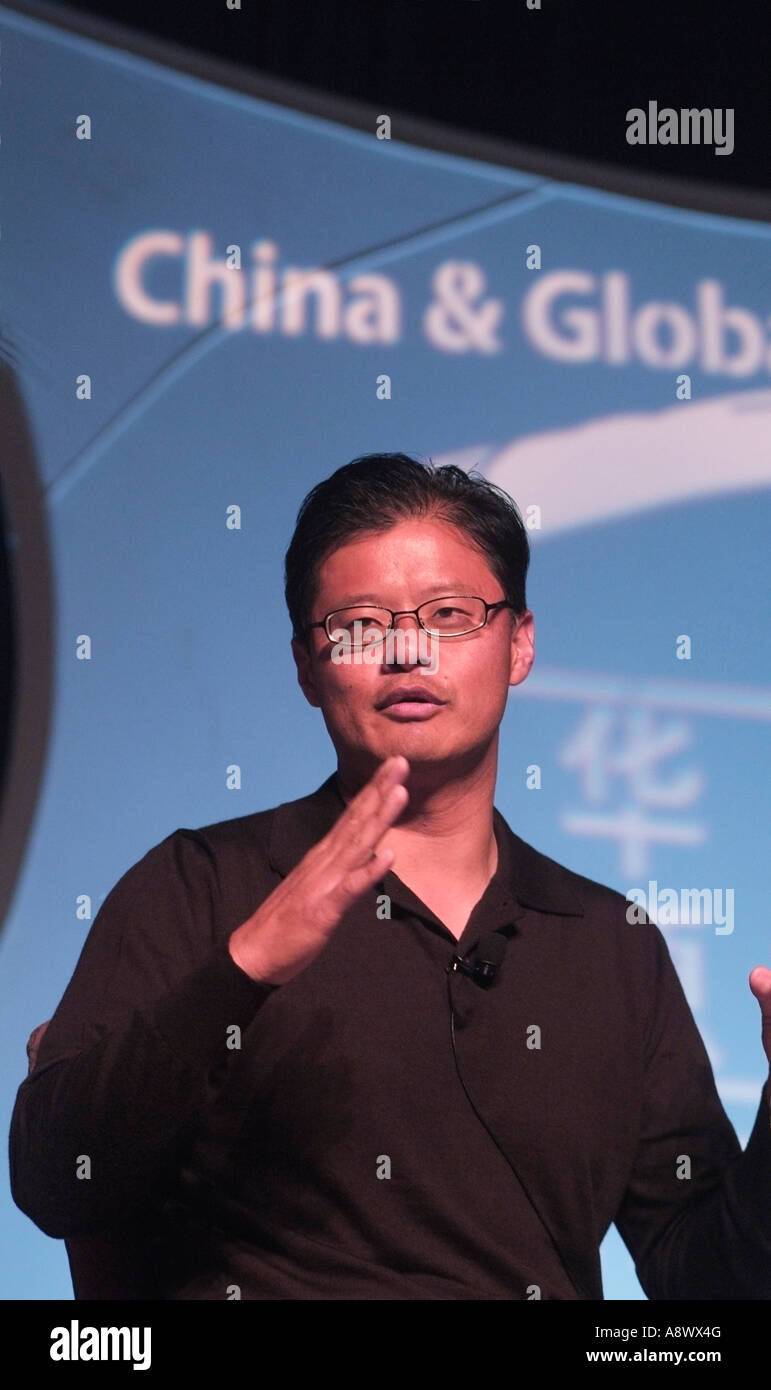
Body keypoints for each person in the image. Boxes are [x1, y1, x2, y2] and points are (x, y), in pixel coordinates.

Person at [9, 452, 771, 1300]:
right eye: (360, 627)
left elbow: (709, 1285)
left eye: (449, 614)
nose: (407, 652)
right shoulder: (202, 884)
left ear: (518, 643)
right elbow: (55, 1181)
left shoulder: (609, 942)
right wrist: (246, 965)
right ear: (306, 665)